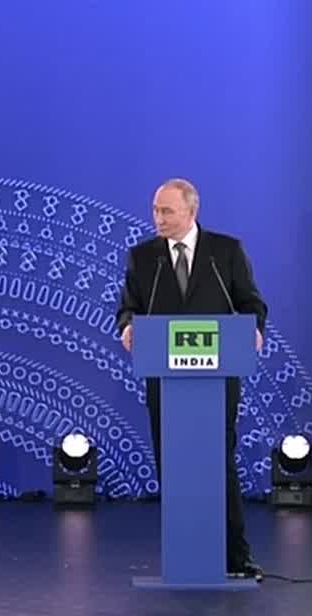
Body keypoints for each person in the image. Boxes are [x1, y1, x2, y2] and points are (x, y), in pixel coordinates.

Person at [115, 178, 267, 581]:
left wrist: (253, 328)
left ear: (191, 211)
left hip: (216, 380)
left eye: (167, 211)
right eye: (155, 210)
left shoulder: (225, 252)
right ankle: (184, 555)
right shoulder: (143, 257)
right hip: (166, 380)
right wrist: (127, 326)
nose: (158, 218)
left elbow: (251, 302)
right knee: (173, 462)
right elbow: (128, 307)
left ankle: (235, 557)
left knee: (220, 463)